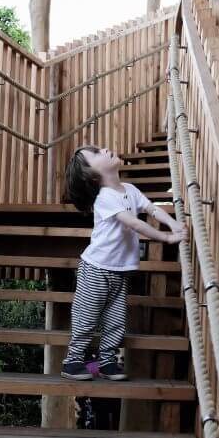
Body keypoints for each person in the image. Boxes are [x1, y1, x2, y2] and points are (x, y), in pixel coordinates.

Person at [60, 145, 188, 381]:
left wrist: (173, 223)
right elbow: (135, 224)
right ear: (93, 174)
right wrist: (167, 238)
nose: (105, 149)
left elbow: (151, 209)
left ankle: (107, 361)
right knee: (87, 316)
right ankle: (73, 360)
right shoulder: (105, 197)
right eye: (97, 154)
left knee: (116, 319)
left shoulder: (129, 189)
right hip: (96, 269)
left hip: (119, 271)